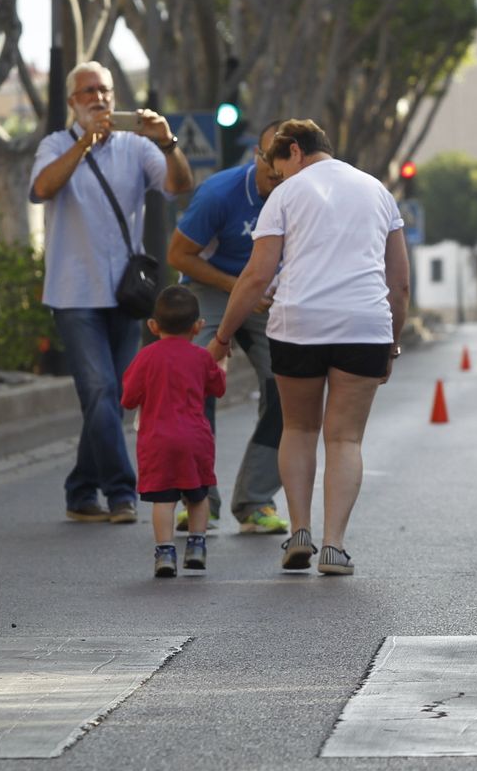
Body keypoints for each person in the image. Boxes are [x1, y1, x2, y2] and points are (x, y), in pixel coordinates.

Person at [207, 119, 409, 574]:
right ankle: (334, 546)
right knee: (345, 438)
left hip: (298, 325)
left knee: (297, 431)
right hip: (364, 326)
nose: (277, 180)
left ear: (293, 151)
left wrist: (222, 338)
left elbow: (257, 275)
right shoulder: (377, 191)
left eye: (278, 170)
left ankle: (299, 532)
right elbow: (399, 282)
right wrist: (391, 344)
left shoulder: (285, 196)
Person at [31, 61, 194, 523]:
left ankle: (81, 488)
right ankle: (122, 492)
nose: (98, 98)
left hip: (126, 295)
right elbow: (43, 187)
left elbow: (178, 186)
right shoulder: (54, 146)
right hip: (73, 293)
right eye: (87, 92)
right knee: (101, 389)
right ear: (72, 103)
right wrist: (84, 142)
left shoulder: (136, 147)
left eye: (104, 90)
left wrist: (167, 142)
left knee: (112, 397)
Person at [167, 121, 288, 535]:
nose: (280, 174)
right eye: (273, 164)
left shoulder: (304, 196)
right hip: (213, 286)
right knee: (193, 382)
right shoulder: (220, 193)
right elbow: (178, 255)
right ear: (257, 154)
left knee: (290, 387)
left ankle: (255, 501)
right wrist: (239, 289)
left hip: (267, 293)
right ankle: (198, 497)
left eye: (289, 164)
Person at [121, 287, 227, 577]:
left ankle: (165, 553)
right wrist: (221, 364)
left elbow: (128, 398)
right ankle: (196, 546)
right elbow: (218, 388)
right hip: (195, 438)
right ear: (198, 326)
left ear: (153, 326)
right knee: (198, 494)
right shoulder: (201, 357)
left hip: (157, 440)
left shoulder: (146, 357)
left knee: (164, 500)